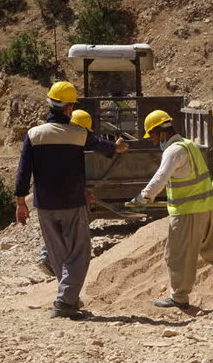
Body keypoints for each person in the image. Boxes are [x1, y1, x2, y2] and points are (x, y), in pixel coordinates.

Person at [15, 81, 129, 319]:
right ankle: (64, 302)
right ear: (68, 109)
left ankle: (69, 298)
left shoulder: (34, 135)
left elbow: (23, 170)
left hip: (44, 205)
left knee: (58, 254)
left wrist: (20, 203)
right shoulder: (78, 134)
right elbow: (103, 146)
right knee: (79, 253)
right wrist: (117, 147)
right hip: (71, 202)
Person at [131, 110, 213, 309]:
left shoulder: (173, 151)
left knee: (178, 255)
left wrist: (144, 197)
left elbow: (161, 177)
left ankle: (180, 297)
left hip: (187, 212)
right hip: (210, 208)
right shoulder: (189, 145)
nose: (153, 141)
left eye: (153, 136)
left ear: (162, 132)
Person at [36, 109, 105, 277]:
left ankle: (50, 258)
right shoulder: (77, 145)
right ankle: (52, 260)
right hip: (70, 197)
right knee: (71, 231)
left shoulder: (61, 143)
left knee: (60, 231)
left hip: (53, 196)